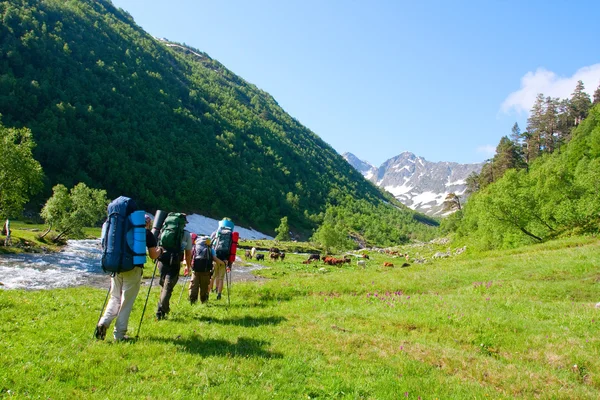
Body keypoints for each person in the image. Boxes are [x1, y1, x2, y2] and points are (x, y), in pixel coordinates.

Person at [96, 214, 160, 341]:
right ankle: (119, 335)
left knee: (115, 297)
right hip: (133, 269)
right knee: (126, 301)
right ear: (146, 223)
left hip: (116, 267)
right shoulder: (147, 234)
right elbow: (153, 255)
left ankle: (104, 321)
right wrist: (161, 251)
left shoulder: (119, 231)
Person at [156, 215, 193, 320]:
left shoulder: (165, 230)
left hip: (163, 258)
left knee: (163, 284)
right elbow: (188, 252)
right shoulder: (186, 234)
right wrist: (188, 266)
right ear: (183, 224)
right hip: (175, 260)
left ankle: (163, 309)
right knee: (168, 287)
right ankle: (161, 311)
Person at [186, 236, 225, 304]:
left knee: (194, 286)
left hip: (195, 271)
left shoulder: (195, 247)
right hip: (206, 271)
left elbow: (190, 256)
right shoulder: (210, 249)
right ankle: (204, 302)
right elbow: (214, 259)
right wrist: (223, 263)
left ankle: (192, 301)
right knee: (204, 287)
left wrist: (188, 267)